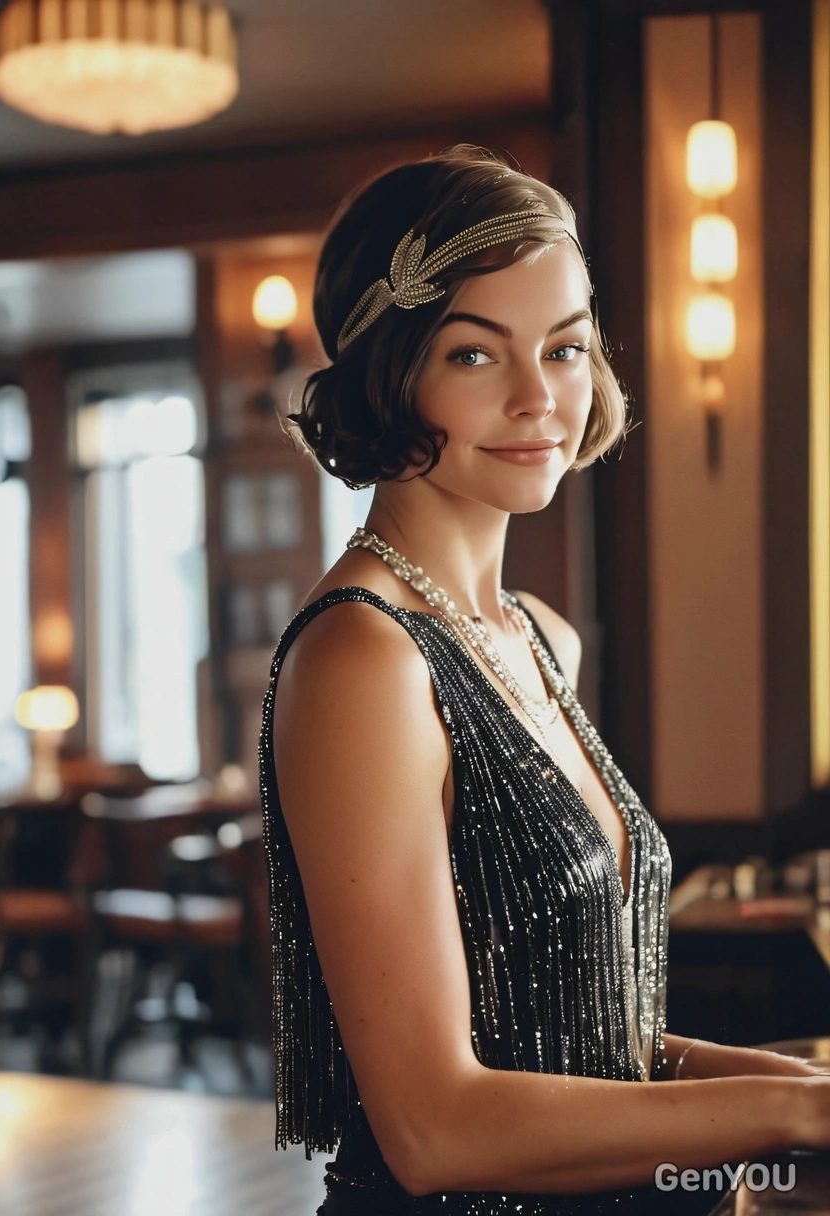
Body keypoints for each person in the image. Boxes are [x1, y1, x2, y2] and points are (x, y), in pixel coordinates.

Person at [259, 145, 830, 1215]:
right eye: (475, 355)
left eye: (565, 348)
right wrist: (796, 1115)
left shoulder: (537, 638)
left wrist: (800, 1083)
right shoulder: (362, 660)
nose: (540, 398)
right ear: (391, 369)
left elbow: (584, 1039)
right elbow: (432, 1127)